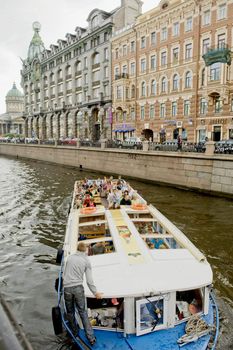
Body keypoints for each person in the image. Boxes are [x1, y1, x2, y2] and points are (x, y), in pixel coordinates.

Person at [63, 242, 102, 345]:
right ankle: (91, 338)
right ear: (85, 250)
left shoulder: (69, 258)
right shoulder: (86, 261)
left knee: (70, 312)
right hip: (78, 289)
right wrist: (95, 292)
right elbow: (89, 281)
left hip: (67, 288)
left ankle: (74, 333)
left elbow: (65, 273)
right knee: (83, 313)